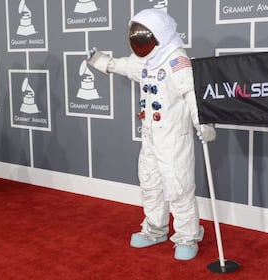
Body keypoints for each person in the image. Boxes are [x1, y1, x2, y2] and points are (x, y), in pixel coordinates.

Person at [87, 9, 216, 260]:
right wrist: (105, 62)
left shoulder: (176, 60)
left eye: (145, 37)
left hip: (173, 137)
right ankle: (155, 229)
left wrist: (203, 123)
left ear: (161, 35)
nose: (140, 43)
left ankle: (187, 236)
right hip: (150, 136)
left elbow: (192, 94)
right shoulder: (146, 60)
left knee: (178, 186)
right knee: (150, 182)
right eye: (136, 37)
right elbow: (127, 66)